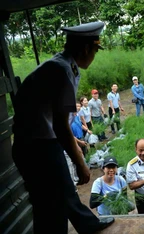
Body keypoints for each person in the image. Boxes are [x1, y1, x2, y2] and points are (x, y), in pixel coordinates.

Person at [11, 21, 114, 234]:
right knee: (54, 203)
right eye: (95, 49)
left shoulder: (65, 67)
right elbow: (60, 124)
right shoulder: (62, 71)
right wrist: (80, 161)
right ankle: (88, 225)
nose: (95, 55)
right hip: (38, 146)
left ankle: (87, 224)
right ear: (86, 48)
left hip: (32, 143)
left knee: (52, 203)